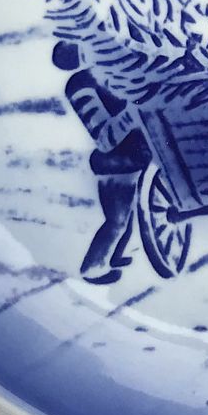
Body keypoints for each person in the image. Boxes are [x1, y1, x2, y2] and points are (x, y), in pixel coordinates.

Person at [52, 41, 151, 284]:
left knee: (126, 218)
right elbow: (105, 138)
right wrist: (130, 115)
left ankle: (114, 256)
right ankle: (92, 268)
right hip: (116, 163)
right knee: (116, 221)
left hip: (135, 155)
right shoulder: (81, 87)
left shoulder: (111, 75)